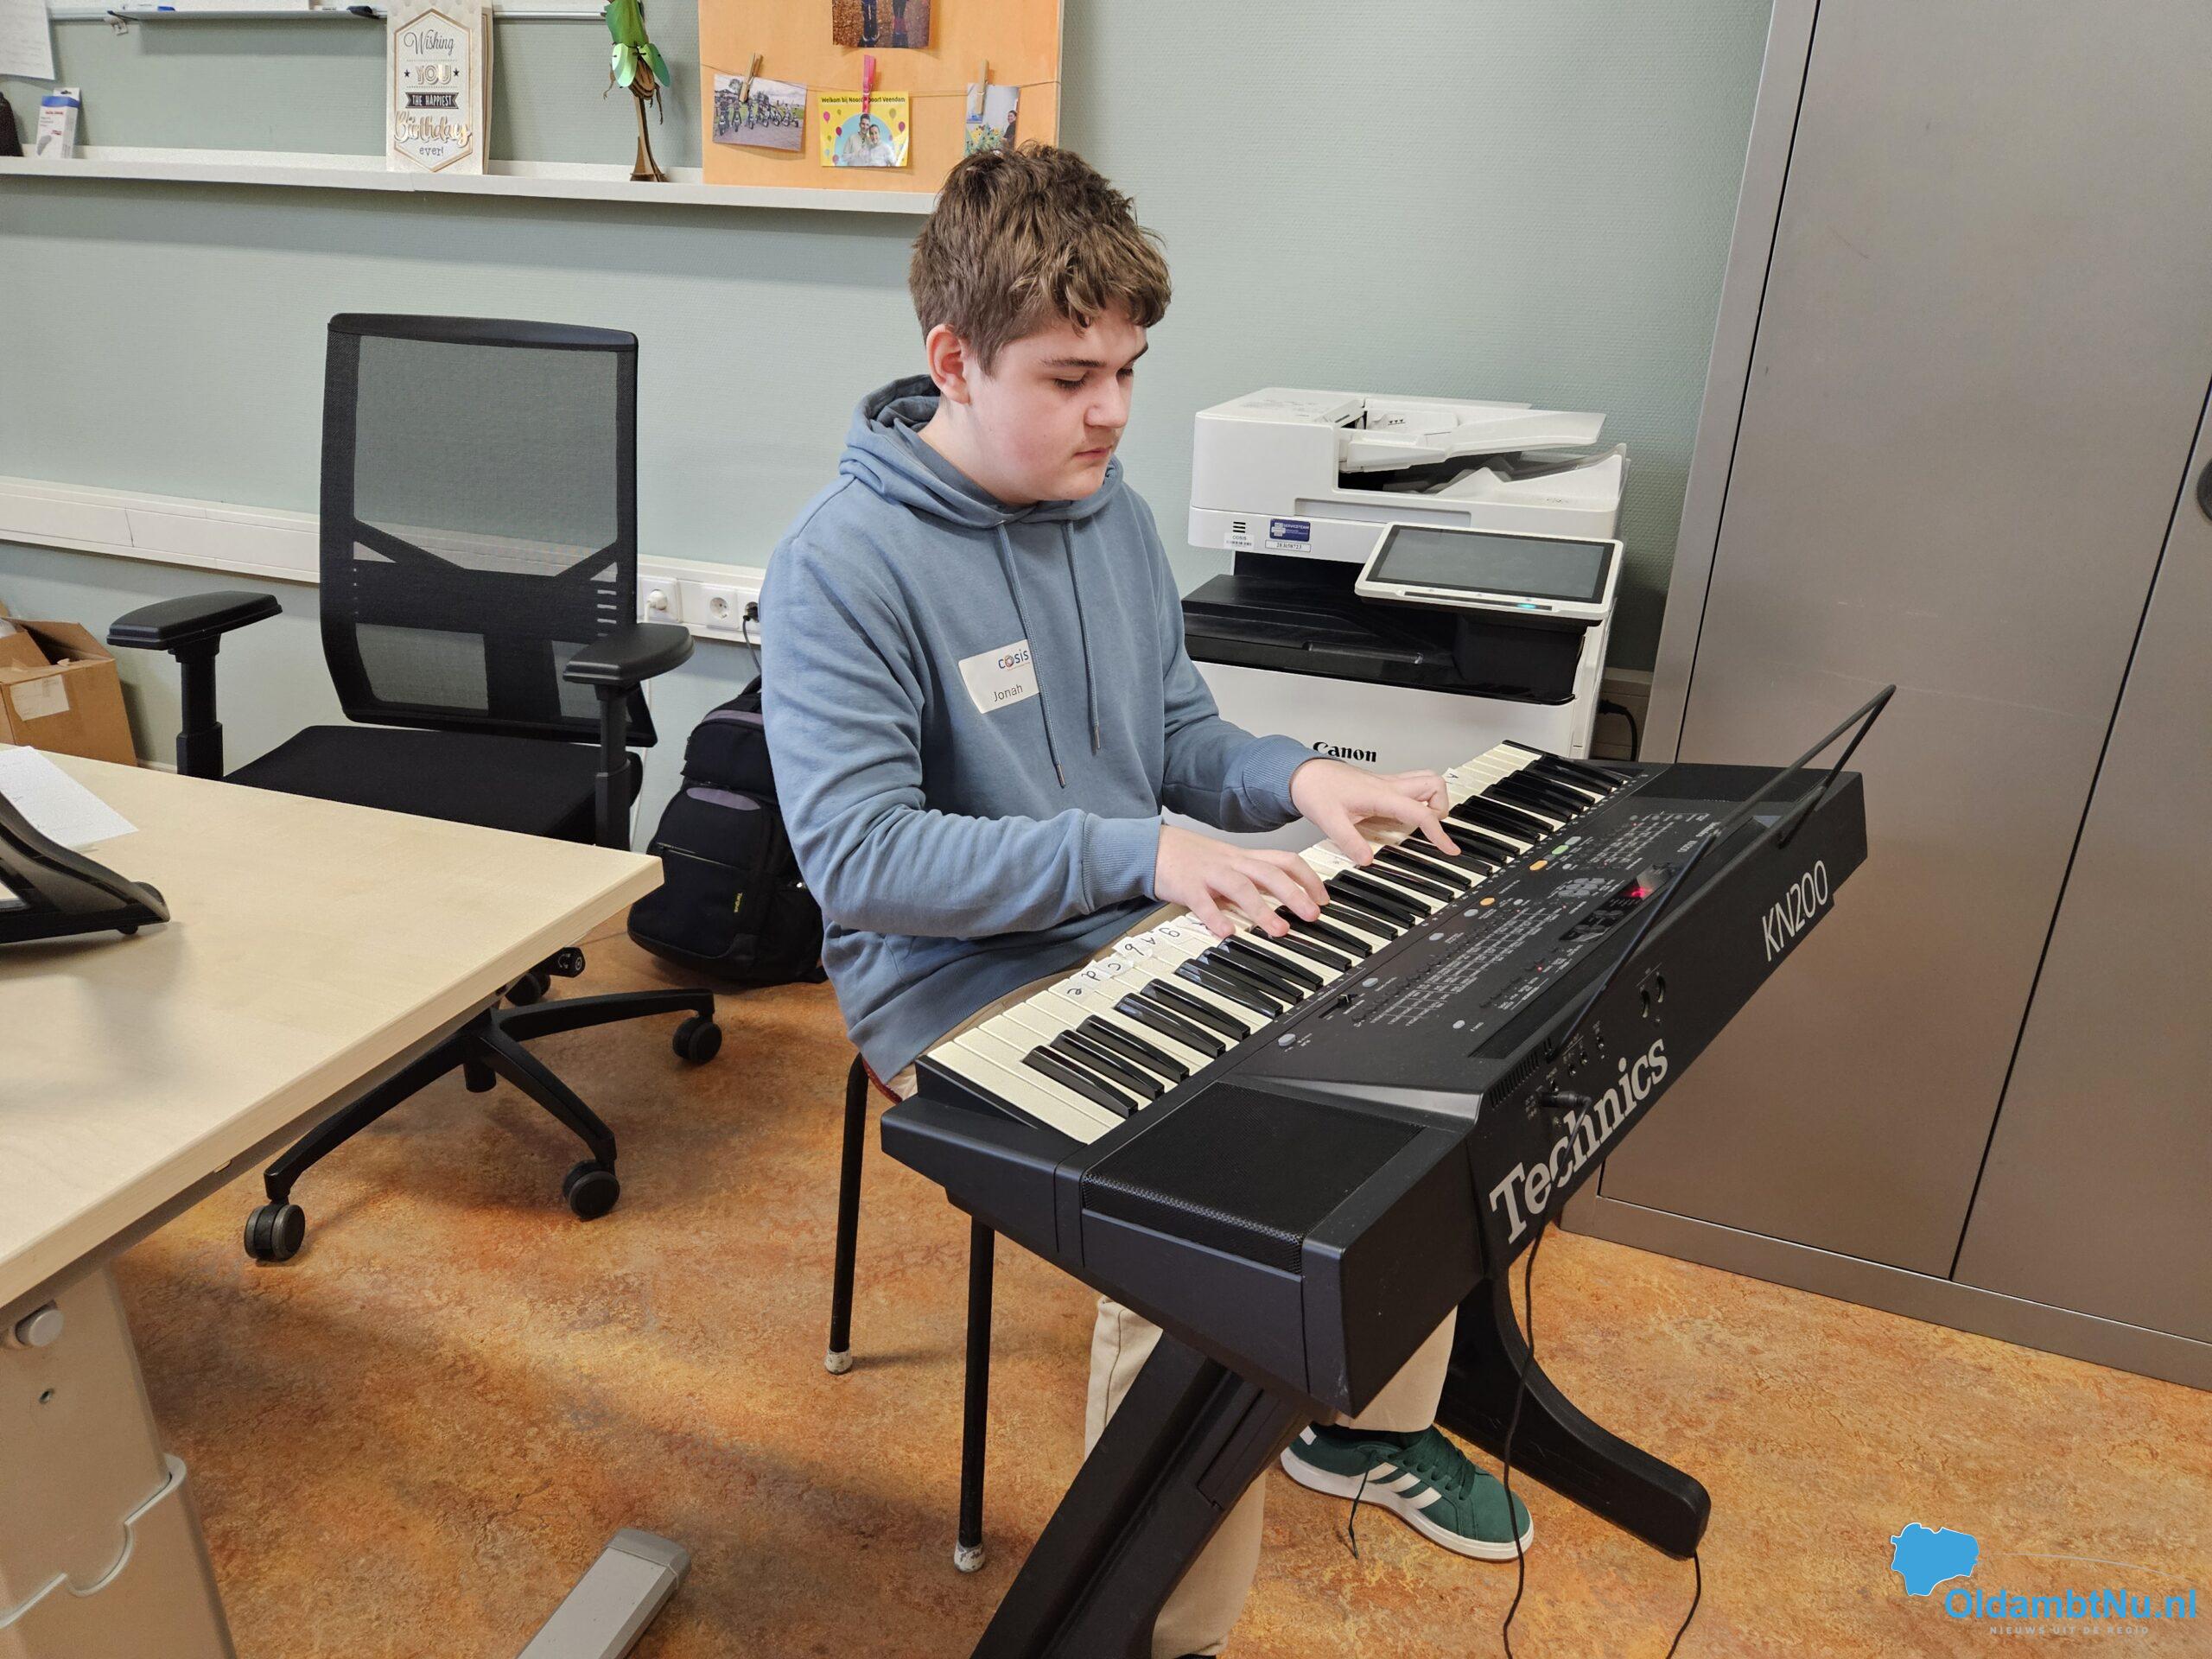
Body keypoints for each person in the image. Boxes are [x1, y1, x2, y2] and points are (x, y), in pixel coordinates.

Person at [760, 143, 1532, 1659]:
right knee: (1210, 1228)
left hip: (1132, 928)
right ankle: (1156, 1633)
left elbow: (1177, 739)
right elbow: (861, 862)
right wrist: (1140, 855)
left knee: (1417, 1059)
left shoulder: (1105, 512)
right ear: (953, 364)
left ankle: (1360, 1428)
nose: (1111, 412)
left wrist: (1305, 779)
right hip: (952, 986)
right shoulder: (841, 566)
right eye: (1069, 378)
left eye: (1126, 371)